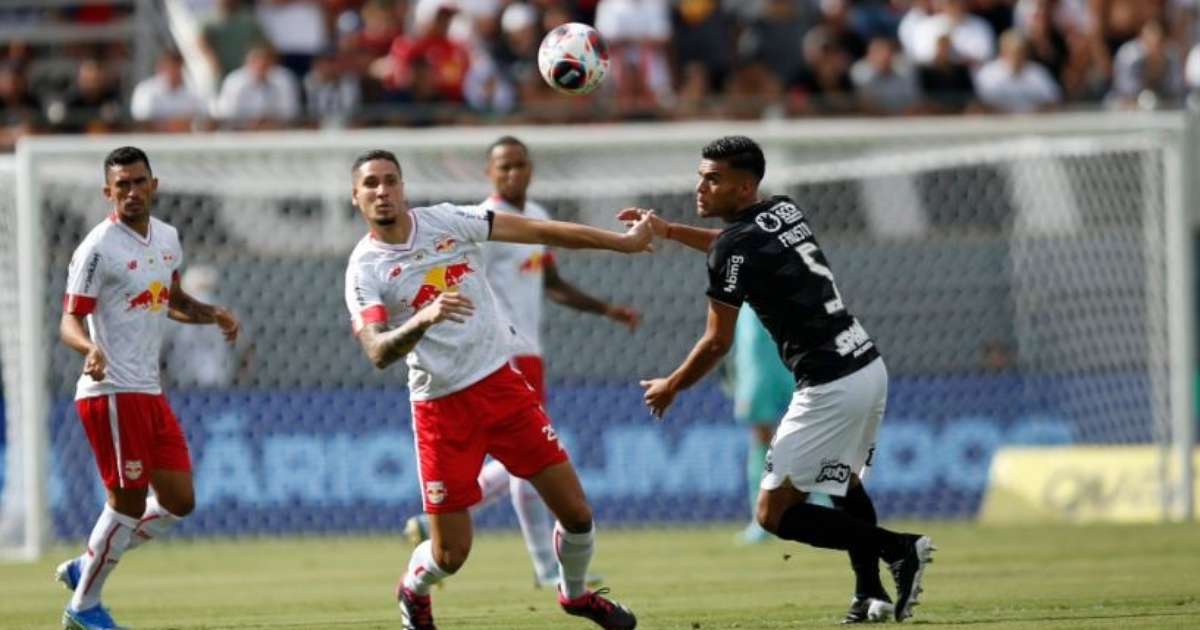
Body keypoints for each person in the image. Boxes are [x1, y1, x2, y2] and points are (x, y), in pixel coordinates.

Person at [622, 136, 934, 624]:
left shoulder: (733, 247)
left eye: (713, 178)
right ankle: (868, 593)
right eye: (701, 175)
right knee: (843, 484)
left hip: (830, 383)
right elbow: (735, 248)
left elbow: (716, 342)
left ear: (744, 186)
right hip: (866, 364)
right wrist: (668, 231)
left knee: (774, 514)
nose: (700, 186)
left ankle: (900, 548)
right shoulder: (783, 210)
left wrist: (672, 385)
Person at [343, 149, 649, 630]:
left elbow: (541, 232)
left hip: (501, 385)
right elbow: (377, 351)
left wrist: (623, 244)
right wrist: (424, 317)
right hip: (441, 409)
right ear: (357, 198)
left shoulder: (446, 221)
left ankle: (575, 596)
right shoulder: (366, 269)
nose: (382, 192)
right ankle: (413, 589)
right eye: (371, 185)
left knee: (577, 513)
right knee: (451, 554)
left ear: (403, 188)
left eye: (390, 181)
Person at [403, 135, 640, 589]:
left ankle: (450, 514)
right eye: (504, 167)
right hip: (497, 353)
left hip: (530, 352)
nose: (513, 174)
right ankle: (546, 568)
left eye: (520, 165)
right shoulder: (480, 225)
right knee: (532, 462)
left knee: (528, 459)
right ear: (489, 173)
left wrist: (606, 308)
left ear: (531, 169)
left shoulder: (539, 217)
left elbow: (551, 282)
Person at [55, 146, 241, 630]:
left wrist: (210, 314)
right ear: (107, 192)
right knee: (127, 504)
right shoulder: (97, 247)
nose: (132, 192)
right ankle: (83, 608)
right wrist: (88, 350)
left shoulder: (168, 239)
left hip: (149, 391)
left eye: (139, 182)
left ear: (154, 185)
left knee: (179, 501)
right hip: (110, 391)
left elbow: (171, 300)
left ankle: (88, 562)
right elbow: (70, 319)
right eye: (122, 186)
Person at [727, 303, 794, 546]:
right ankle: (764, 519)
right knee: (761, 433)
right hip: (757, 350)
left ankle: (824, 508)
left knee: (812, 428)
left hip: (797, 339)